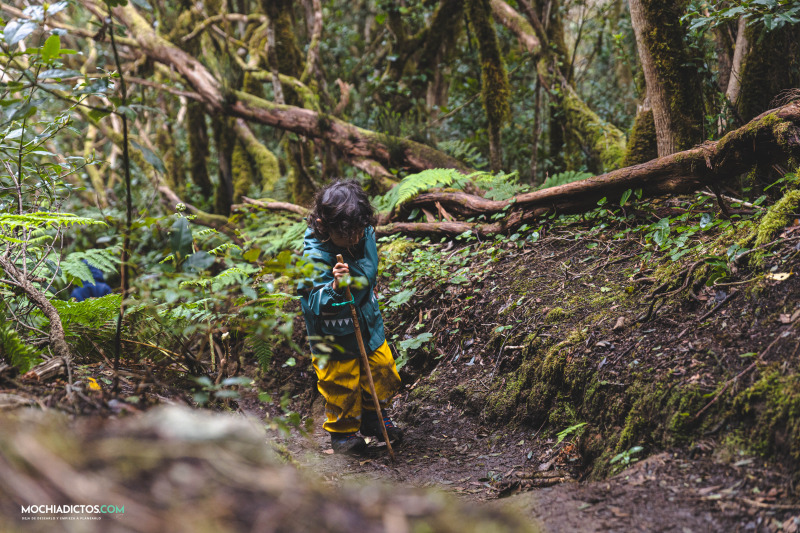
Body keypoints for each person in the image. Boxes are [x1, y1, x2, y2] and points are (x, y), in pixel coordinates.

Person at [298, 179, 403, 455]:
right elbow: (312, 301)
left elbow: (369, 265)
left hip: (367, 322)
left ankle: (375, 418)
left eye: (360, 230)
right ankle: (343, 435)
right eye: (349, 234)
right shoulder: (313, 256)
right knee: (341, 382)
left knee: (381, 368)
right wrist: (333, 288)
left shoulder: (362, 230)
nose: (356, 238)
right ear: (323, 225)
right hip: (333, 335)